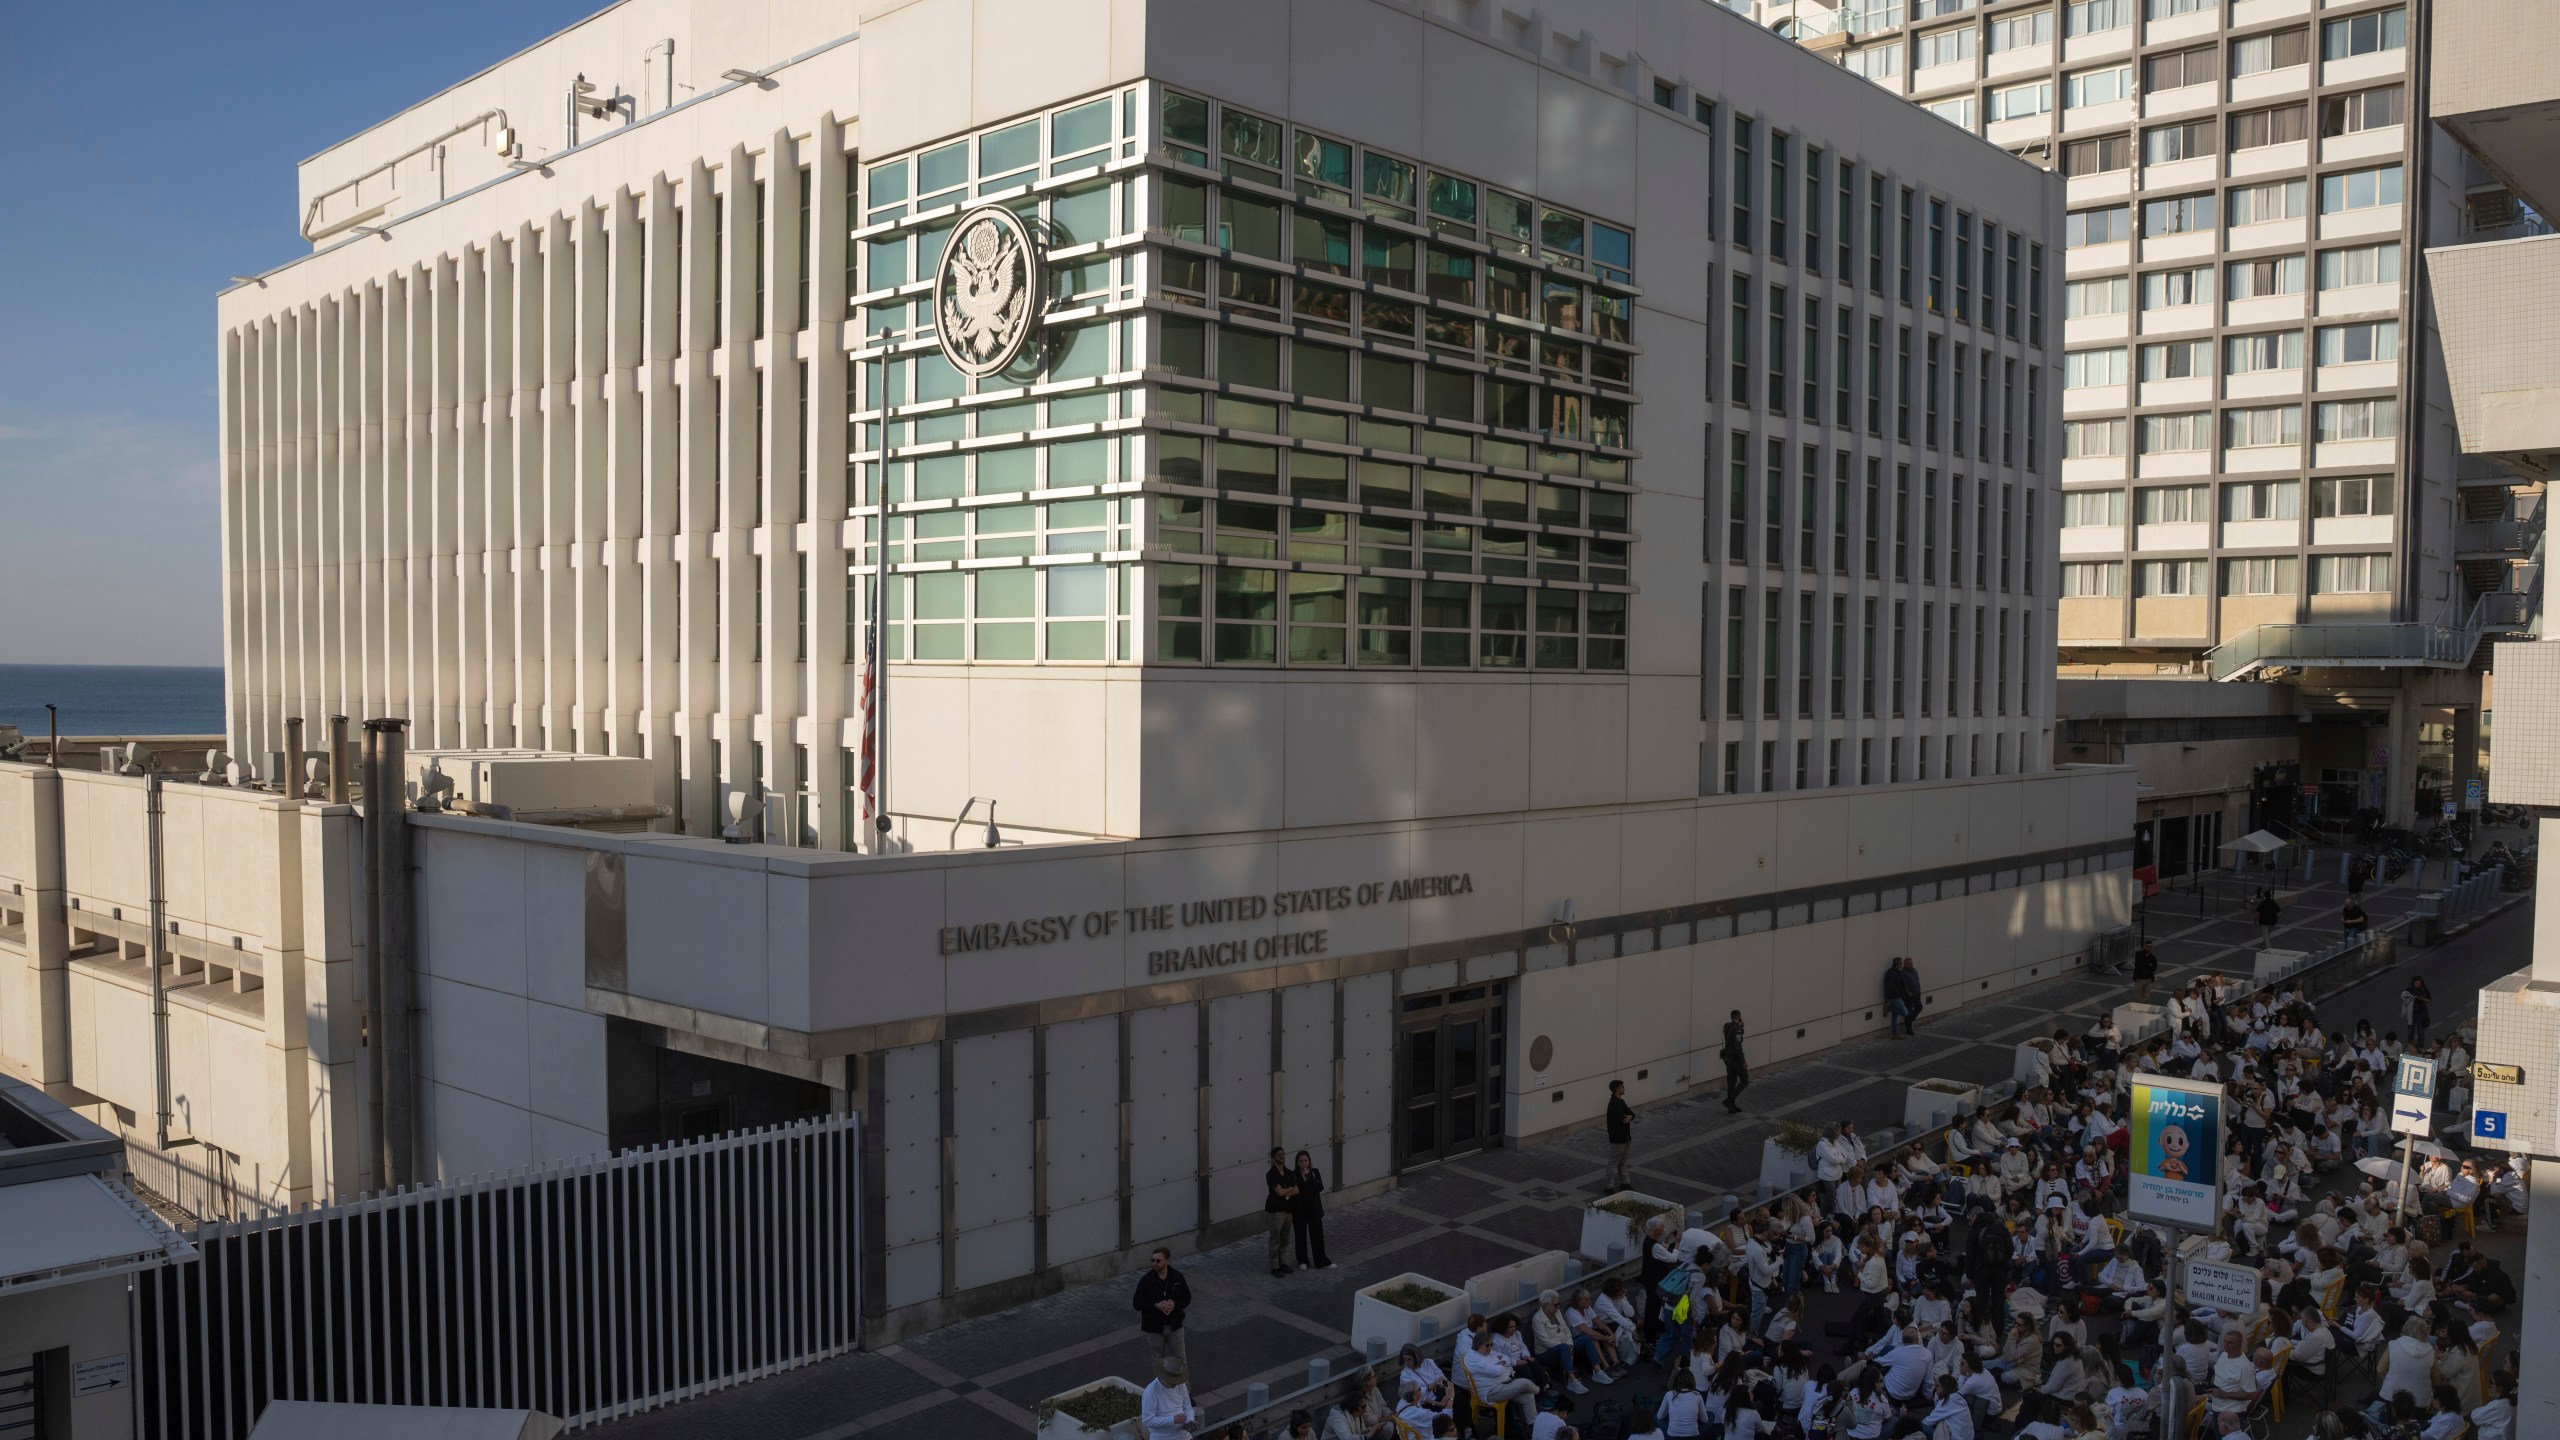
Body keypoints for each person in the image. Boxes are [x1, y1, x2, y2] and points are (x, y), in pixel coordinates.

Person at [1133, 1247, 1192, 1366]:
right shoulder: (1147, 1280)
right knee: (1158, 1362)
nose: (1154, 1263)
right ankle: (1161, 1385)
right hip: (1154, 1329)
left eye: (1158, 1261)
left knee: (1180, 1361)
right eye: (1153, 1260)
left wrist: (1174, 1305)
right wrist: (1156, 1305)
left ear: (1167, 1261)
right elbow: (1137, 1304)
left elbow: (1187, 1298)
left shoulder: (1177, 1277)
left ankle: (1184, 1385)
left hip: (1174, 1327)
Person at [1291, 1149, 1333, 1270]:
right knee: (1300, 1236)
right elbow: (1297, 1191)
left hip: (1314, 1210)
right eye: (1301, 1161)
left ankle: (1321, 1261)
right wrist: (1305, 1183)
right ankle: (1303, 1261)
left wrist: (1308, 1178)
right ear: (1297, 1163)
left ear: (1309, 1161)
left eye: (1306, 1161)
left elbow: (1319, 1187)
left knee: (1317, 1236)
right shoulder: (1294, 1175)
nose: (1304, 1163)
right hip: (1299, 1211)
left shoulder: (1314, 1172)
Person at [1264, 1147, 1299, 1277]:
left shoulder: (1289, 1173)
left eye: (1283, 1154)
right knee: (1275, 1239)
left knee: (1285, 1239)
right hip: (1276, 1211)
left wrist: (1285, 1191)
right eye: (1279, 1154)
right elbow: (1278, 1192)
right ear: (1273, 1157)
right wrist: (1287, 1191)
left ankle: (1282, 1262)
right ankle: (1274, 1266)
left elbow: (1297, 1190)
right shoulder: (1271, 1174)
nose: (1282, 1156)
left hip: (1288, 1210)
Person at [1142, 1355, 1196, 1440]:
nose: (1176, 1383)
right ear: (1163, 1376)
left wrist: (1190, 1420)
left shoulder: (1180, 1384)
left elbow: (1187, 1407)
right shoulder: (1151, 1392)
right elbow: (1148, 1421)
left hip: (1183, 1434)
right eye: (1173, 1380)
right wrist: (1172, 1420)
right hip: (1162, 1436)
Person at [1606, 1080, 1638, 1189]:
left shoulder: (1621, 1101)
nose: (1624, 1088)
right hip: (1618, 1139)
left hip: (1626, 1137)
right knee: (1613, 1163)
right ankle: (1608, 1186)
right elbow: (1623, 1120)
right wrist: (1628, 1117)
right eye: (1622, 1087)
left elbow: (1631, 1114)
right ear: (1617, 1089)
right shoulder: (1614, 1105)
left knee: (1623, 1162)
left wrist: (1629, 1117)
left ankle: (1625, 1183)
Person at [1722, 1010, 1750, 1112]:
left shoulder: (1727, 1027)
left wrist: (1740, 1027)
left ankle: (1731, 1106)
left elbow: (1733, 1038)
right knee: (1745, 1080)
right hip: (1735, 1059)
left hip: (1727, 1058)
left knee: (1731, 1082)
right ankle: (1729, 1100)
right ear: (1739, 1017)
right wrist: (1743, 1062)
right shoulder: (1737, 1029)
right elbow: (1738, 1046)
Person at [2402, 977, 2433, 1048]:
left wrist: (2422, 999)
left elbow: (2429, 1000)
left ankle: (2420, 1047)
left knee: (2421, 1032)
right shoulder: (2409, 990)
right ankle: (2410, 1047)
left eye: (2419, 983)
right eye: (2416, 983)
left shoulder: (2423, 989)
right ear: (2413, 983)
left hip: (2421, 1013)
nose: (2418, 985)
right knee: (2410, 1032)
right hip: (2411, 1013)